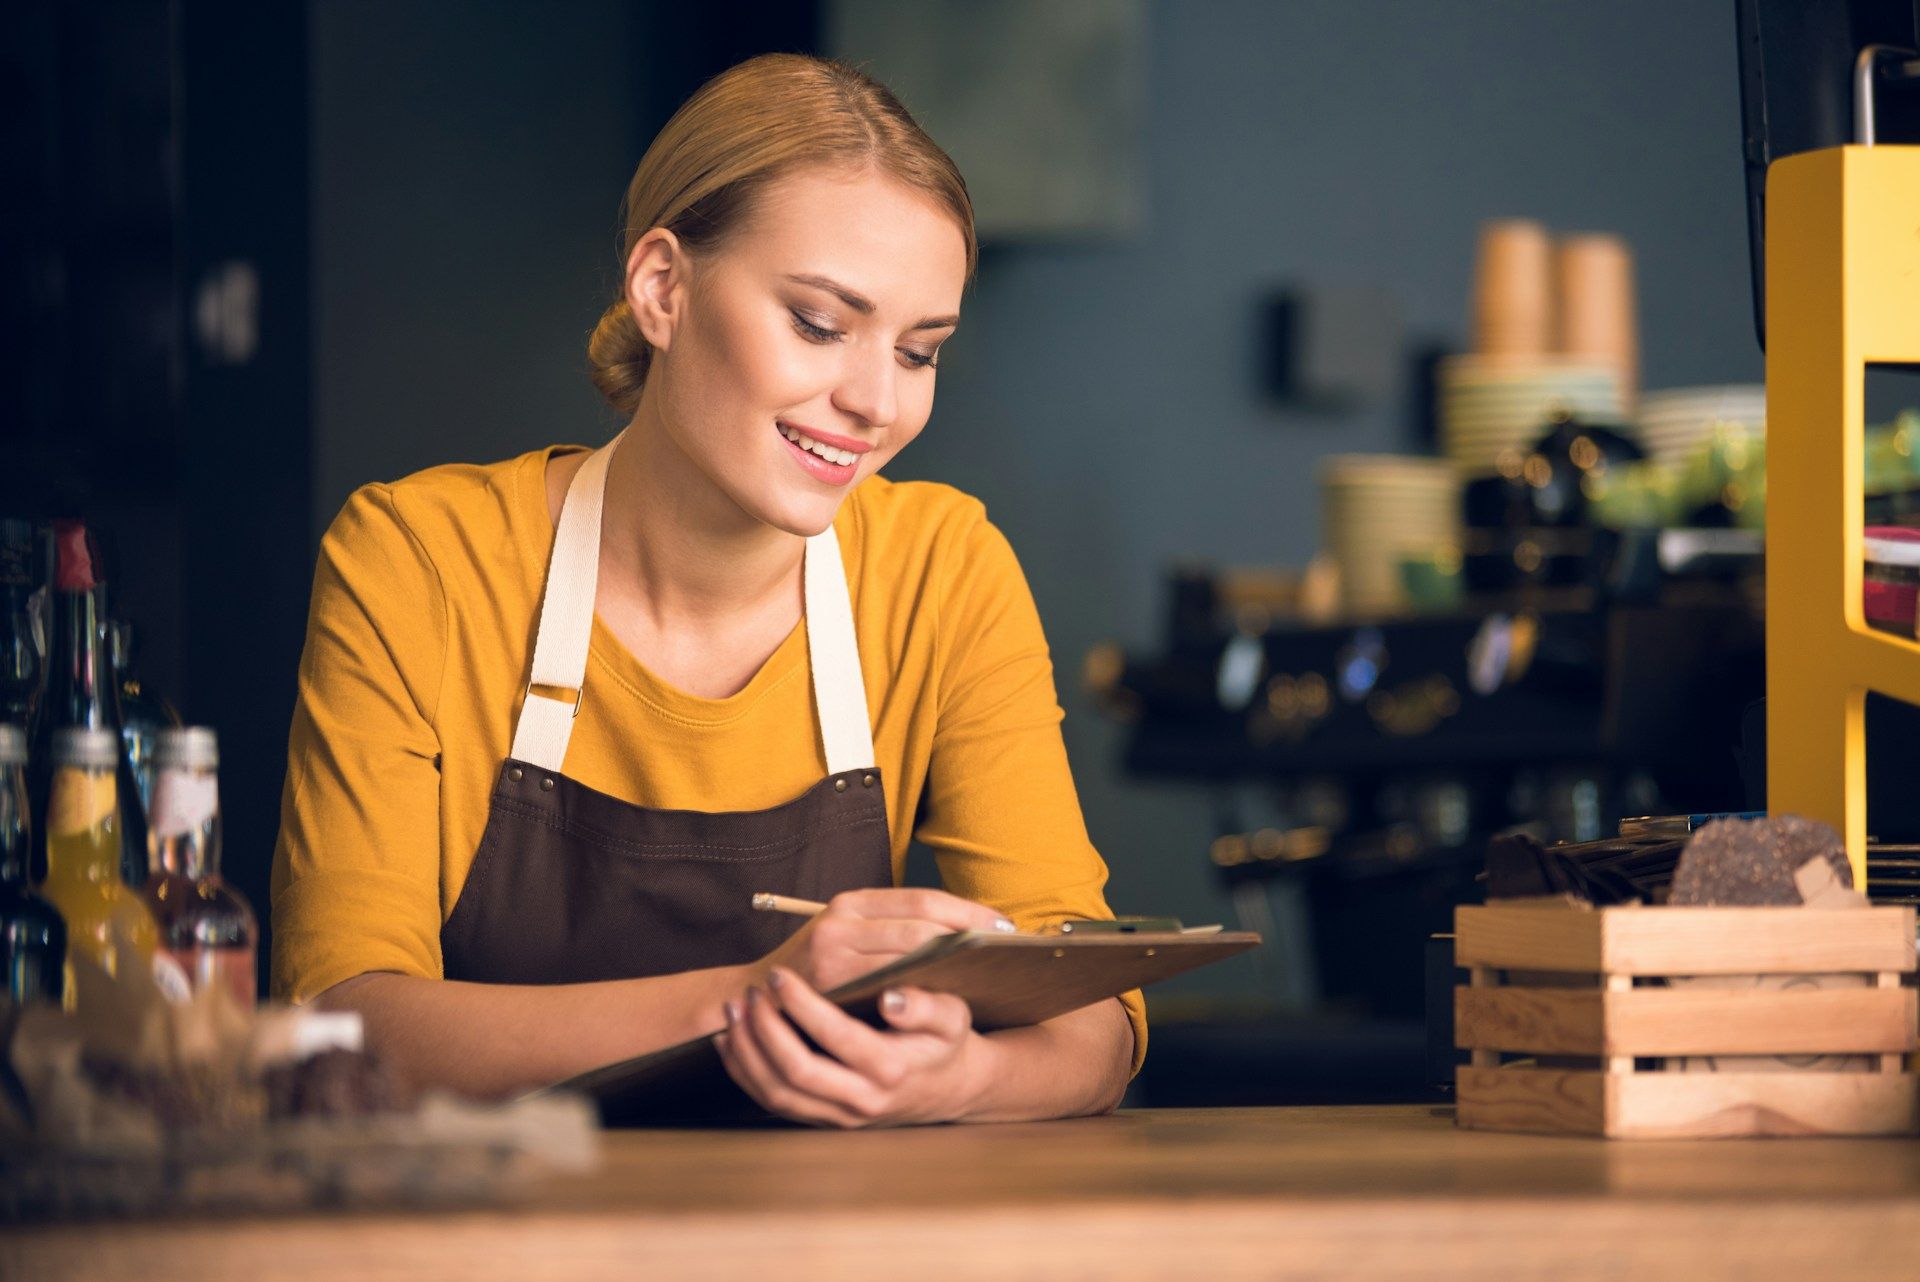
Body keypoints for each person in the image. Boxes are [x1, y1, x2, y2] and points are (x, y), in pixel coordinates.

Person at [270, 53, 1145, 1128]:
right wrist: (756, 995)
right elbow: (344, 1027)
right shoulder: (418, 559)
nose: (876, 401)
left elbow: (1095, 1019)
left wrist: (961, 1080)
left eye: (918, 351)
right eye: (820, 324)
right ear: (662, 289)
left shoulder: (943, 571)